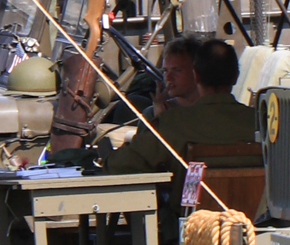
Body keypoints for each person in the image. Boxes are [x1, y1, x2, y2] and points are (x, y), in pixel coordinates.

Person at [94, 35, 257, 176]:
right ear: (236, 77)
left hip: (187, 204)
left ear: (196, 75)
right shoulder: (259, 122)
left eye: (177, 70)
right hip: (249, 203)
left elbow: (121, 165)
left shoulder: (172, 122)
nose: (168, 77)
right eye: (165, 71)